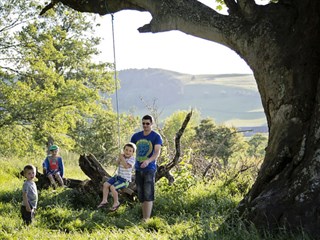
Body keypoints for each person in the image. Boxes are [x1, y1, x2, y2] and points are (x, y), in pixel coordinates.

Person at [131, 115, 163, 221]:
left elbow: (157, 152)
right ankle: (144, 218)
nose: (145, 125)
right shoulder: (136, 136)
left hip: (149, 169)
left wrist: (148, 161)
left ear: (152, 124)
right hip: (138, 168)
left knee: (148, 193)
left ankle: (147, 219)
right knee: (141, 194)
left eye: (147, 123)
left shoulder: (156, 137)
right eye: (143, 123)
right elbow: (129, 150)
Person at [97, 142, 136, 211]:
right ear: (123, 150)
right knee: (106, 184)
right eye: (126, 150)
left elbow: (126, 166)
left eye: (130, 151)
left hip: (124, 180)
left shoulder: (132, 159)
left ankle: (116, 202)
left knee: (112, 187)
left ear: (132, 153)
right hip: (117, 177)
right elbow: (116, 163)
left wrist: (122, 158)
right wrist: (119, 158)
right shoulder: (122, 157)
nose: (127, 152)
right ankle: (104, 200)